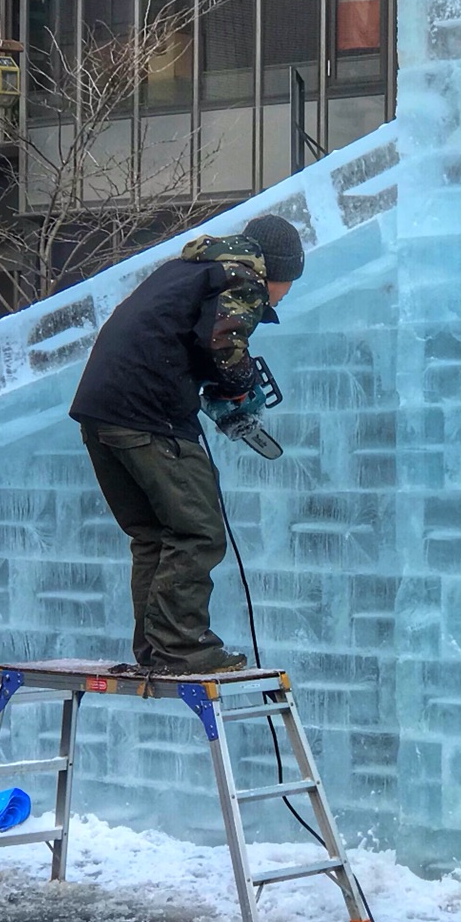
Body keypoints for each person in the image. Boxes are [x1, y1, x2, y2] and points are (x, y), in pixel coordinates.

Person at [69, 214, 305, 675]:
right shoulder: (244, 277)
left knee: (155, 534)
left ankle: (158, 648)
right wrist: (238, 385)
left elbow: (194, 337)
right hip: (149, 413)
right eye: (287, 286)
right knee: (198, 529)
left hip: (101, 410)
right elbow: (224, 340)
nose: (280, 296)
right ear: (278, 271)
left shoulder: (191, 271)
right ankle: (183, 647)